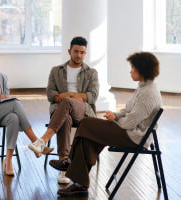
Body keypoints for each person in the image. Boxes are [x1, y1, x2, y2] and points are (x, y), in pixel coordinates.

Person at [48, 52, 162, 197]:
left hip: (134, 137)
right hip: (129, 131)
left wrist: (115, 120)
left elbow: (130, 122)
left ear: (142, 70)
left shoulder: (148, 93)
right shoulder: (143, 87)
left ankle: (71, 165)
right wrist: (115, 115)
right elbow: (127, 110)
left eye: (133, 68)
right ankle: (78, 183)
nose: (130, 71)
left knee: (87, 123)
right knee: (87, 137)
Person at [0, 44, 53, 176]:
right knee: (15, 104)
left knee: (13, 117)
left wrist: (5, 97)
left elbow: (6, 98)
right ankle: (36, 143)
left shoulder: (2, 76)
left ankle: (8, 161)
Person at [28, 36, 99, 184]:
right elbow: (50, 95)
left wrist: (69, 95)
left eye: (82, 52)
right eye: (76, 51)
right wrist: (74, 97)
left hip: (83, 111)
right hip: (61, 112)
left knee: (67, 101)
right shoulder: (56, 71)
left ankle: (42, 141)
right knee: (65, 119)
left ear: (85, 53)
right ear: (69, 51)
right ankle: (64, 167)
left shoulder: (91, 73)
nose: (78, 55)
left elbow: (92, 96)